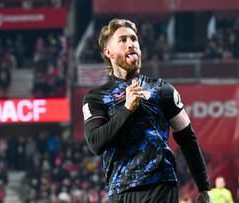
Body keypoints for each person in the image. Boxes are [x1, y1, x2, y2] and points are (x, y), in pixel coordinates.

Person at [82, 18, 210, 203]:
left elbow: (187, 138)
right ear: (108, 52)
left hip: (161, 186)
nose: (131, 44)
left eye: (134, 39)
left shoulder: (163, 90)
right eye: (123, 40)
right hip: (120, 191)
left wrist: (203, 187)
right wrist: (127, 109)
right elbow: (95, 143)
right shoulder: (96, 98)